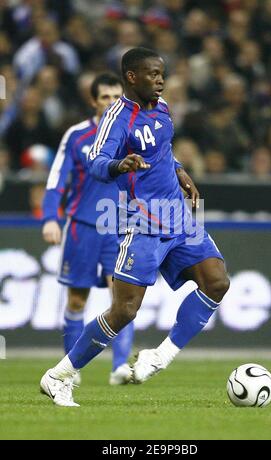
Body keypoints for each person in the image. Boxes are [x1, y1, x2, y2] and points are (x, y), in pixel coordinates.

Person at [40, 48, 230, 407]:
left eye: (162, 74)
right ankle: (58, 376)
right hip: (139, 221)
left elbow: (162, 149)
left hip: (178, 217)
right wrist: (119, 165)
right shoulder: (117, 118)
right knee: (125, 310)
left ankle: (158, 357)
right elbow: (95, 162)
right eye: (153, 74)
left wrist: (180, 170)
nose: (161, 81)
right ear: (132, 77)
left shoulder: (162, 108)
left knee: (217, 281)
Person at [42, 72, 134, 387]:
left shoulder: (132, 134)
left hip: (119, 227)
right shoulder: (77, 135)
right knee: (77, 300)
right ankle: (70, 371)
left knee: (123, 300)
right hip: (82, 227)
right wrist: (50, 218)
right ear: (93, 101)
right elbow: (56, 180)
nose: (111, 103)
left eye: (116, 97)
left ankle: (120, 367)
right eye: (105, 97)